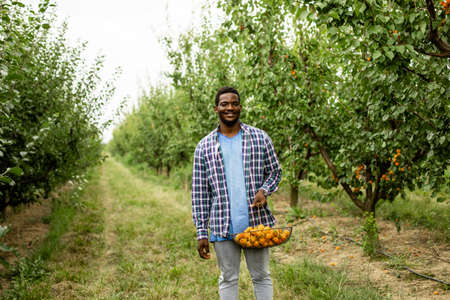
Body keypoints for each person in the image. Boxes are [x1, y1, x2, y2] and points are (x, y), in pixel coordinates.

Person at [191, 86, 282, 300]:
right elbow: (200, 193)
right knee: (228, 278)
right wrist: (201, 232)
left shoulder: (260, 138)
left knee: (261, 276)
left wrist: (264, 190)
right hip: (223, 225)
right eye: (224, 104)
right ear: (216, 109)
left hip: (255, 223)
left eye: (234, 103)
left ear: (240, 107)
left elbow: (275, 171)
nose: (229, 108)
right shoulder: (204, 147)